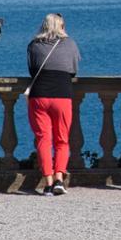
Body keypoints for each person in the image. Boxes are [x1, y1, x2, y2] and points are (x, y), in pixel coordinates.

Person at [26, 13, 81, 196]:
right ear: (61, 26)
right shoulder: (70, 44)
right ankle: (59, 179)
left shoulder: (34, 45)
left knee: (43, 139)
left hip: (39, 95)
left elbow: (32, 69)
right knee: (62, 139)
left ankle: (48, 182)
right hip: (62, 94)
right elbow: (73, 70)